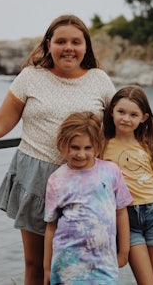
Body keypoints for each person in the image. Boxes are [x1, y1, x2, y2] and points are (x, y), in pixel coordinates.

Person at [0, 14, 153, 285]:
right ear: (48, 44)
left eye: (76, 41)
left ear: (86, 47)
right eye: (61, 41)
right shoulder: (29, 77)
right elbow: (0, 123)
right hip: (36, 176)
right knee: (35, 264)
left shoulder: (99, 79)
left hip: (88, 182)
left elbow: (123, 122)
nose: (68, 47)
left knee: (84, 262)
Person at [102, 86, 153, 285]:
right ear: (112, 111)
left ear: (143, 118)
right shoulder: (101, 145)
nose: (126, 119)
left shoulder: (150, 145)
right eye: (121, 112)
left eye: (133, 114)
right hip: (126, 219)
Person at [43, 111, 133, 285]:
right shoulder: (56, 179)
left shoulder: (111, 171)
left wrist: (124, 252)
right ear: (63, 144)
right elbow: (51, 226)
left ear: (97, 146)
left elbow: (121, 213)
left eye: (88, 148)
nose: (81, 154)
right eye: (75, 147)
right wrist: (47, 268)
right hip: (67, 264)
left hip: (104, 264)